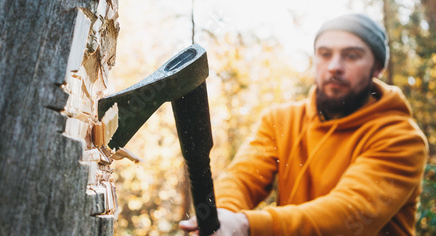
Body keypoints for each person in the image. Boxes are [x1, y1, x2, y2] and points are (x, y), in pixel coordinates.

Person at [179, 14, 428, 235]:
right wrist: (222, 216)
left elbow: (348, 215)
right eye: (325, 54)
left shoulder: (401, 138)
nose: (334, 67)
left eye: (352, 56)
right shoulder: (281, 120)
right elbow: (242, 178)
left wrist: (246, 225)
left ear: (378, 68)